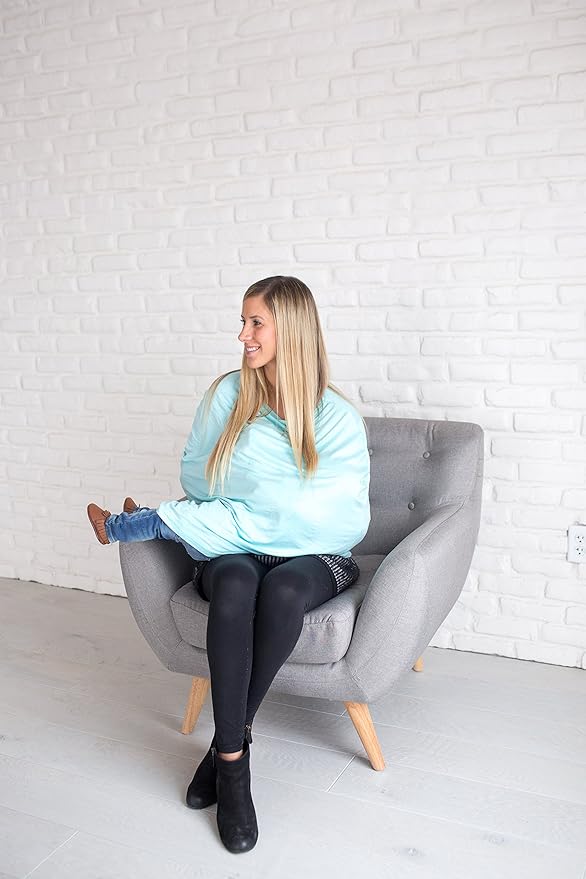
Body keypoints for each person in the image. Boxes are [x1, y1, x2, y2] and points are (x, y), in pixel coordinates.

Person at [86, 275, 371, 854]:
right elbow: (196, 478)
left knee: (285, 589)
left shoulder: (337, 416)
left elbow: (335, 516)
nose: (243, 334)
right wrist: (269, 501)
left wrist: (254, 493)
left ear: (290, 328)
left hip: (317, 556)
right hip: (232, 545)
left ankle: (222, 751)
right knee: (238, 582)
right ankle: (236, 767)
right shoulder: (228, 395)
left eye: (255, 322)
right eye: (243, 321)